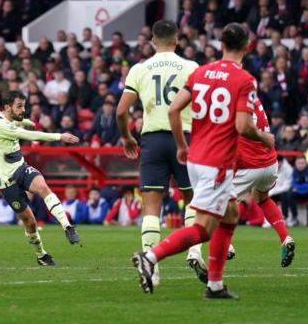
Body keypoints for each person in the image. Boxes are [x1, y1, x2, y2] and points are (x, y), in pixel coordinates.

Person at [131, 23, 274, 299]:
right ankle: (150, 257)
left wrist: (182, 146)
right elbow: (244, 126)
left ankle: (216, 285)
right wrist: (264, 138)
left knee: (231, 214)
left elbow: (174, 109)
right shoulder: (244, 80)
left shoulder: (202, 72)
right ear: (247, 47)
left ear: (221, 44)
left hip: (196, 156)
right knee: (203, 229)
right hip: (218, 162)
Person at [116, 20, 200, 286]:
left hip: (152, 139)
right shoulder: (191, 67)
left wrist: (127, 137)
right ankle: (194, 251)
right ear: (177, 40)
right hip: (183, 139)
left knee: (151, 206)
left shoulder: (139, 69)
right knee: (193, 199)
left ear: (153, 40)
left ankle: (153, 269)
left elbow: (120, 111)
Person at [0, 90, 81, 266]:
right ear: (7, 107)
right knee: (30, 222)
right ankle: (41, 255)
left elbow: (21, 123)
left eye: (24, 106)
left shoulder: (8, 118)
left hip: (21, 168)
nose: (23, 110)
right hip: (7, 181)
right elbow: (30, 136)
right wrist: (59, 136)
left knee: (44, 188)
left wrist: (28, 121)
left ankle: (67, 226)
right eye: (19, 106)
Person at [231, 94, 296, 267]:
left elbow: (238, 130)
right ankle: (285, 237)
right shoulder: (255, 99)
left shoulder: (235, 98)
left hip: (249, 164)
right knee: (262, 198)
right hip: (269, 163)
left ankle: (226, 245)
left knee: (218, 201)